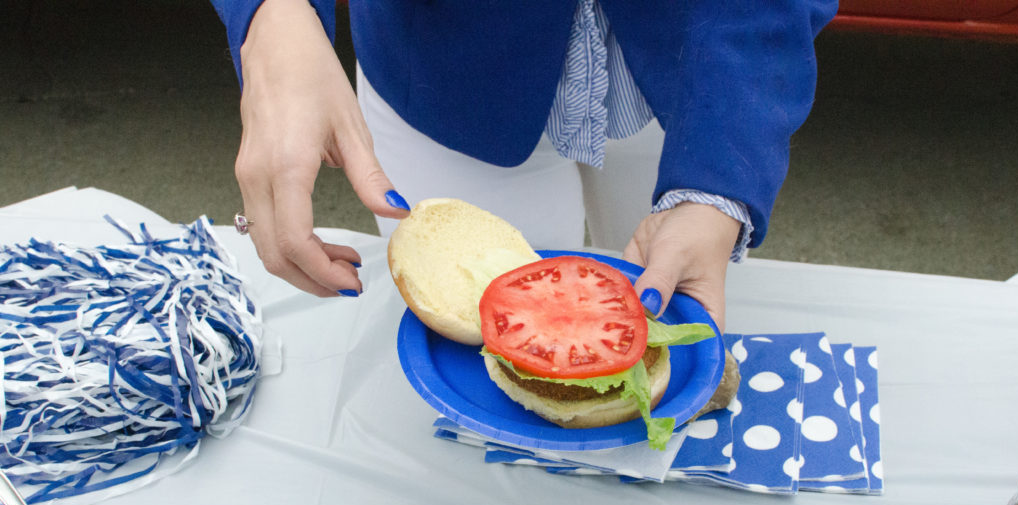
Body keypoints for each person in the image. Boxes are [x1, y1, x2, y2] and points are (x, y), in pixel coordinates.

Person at [210, 0, 837, 333]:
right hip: (447, 68)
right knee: (485, 383)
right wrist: (274, 19)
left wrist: (718, 179)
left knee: (666, 348)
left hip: (691, 75)